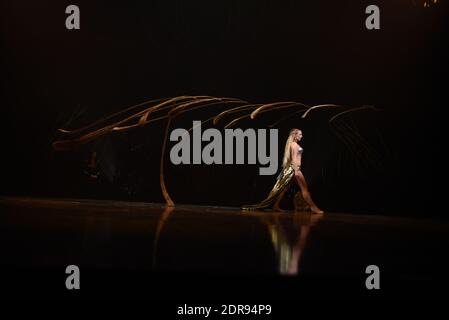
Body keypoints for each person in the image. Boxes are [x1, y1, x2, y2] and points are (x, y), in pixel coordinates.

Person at [242, 129, 324, 214]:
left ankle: (275, 205)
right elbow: (295, 159)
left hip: (289, 169)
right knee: (305, 189)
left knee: (283, 188)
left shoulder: (290, 144)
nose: (301, 136)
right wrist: (297, 171)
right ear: (295, 135)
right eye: (300, 134)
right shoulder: (295, 145)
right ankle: (313, 208)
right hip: (294, 169)